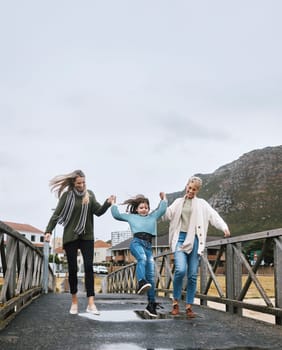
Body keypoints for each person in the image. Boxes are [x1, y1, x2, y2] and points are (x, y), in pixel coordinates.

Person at [44, 169, 115, 315]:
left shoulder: (90, 195)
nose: (82, 185)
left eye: (83, 182)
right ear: (73, 183)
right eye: (79, 183)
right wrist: (48, 231)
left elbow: (98, 212)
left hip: (87, 236)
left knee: (89, 267)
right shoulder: (67, 196)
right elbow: (56, 214)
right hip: (71, 236)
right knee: (73, 269)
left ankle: (91, 303)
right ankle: (74, 301)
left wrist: (107, 203)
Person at [162, 176, 230, 318]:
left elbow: (214, 216)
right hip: (179, 239)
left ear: (197, 190)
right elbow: (166, 216)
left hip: (195, 240)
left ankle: (188, 306)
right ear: (186, 185)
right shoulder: (178, 202)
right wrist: (163, 202)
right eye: (189, 187)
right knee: (180, 270)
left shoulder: (202, 204)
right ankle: (175, 302)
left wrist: (224, 227)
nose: (191, 190)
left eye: (194, 189)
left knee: (192, 275)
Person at [109, 192, 167, 317]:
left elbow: (162, 210)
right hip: (136, 243)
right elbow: (117, 215)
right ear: (136, 209)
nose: (144, 209)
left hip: (148, 245)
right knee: (142, 258)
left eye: (146, 207)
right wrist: (113, 203)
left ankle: (151, 305)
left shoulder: (152, 217)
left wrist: (163, 199)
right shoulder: (131, 217)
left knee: (150, 277)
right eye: (141, 207)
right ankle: (141, 281)